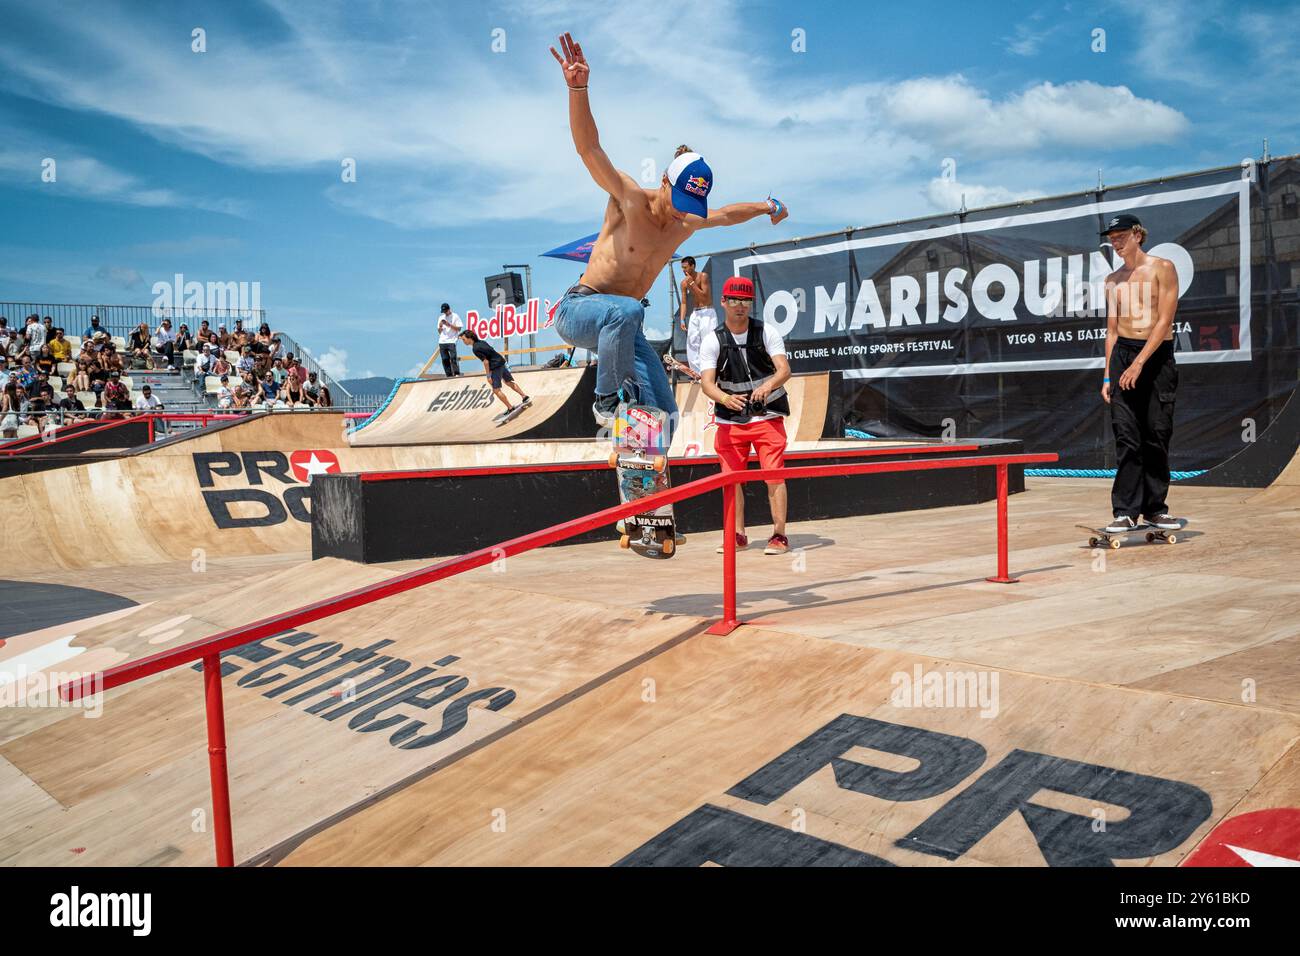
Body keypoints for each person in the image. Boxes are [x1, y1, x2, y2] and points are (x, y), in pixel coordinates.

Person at [548, 31, 788, 429]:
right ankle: (606, 401)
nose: (683, 216)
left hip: (624, 328)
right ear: (663, 182)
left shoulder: (686, 223)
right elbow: (589, 149)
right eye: (679, 203)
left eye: (690, 209)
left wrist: (767, 206)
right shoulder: (628, 199)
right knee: (624, 310)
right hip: (580, 310)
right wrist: (578, 89)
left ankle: (642, 478)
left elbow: (727, 214)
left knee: (666, 414)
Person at [1099, 213, 1182, 535]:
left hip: (1156, 356)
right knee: (1127, 436)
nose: (1115, 242)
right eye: (1111, 237)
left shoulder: (1163, 268)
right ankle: (1125, 511)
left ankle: (1155, 510)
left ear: (1137, 234)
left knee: (1156, 436)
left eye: (1120, 235)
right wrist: (1108, 375)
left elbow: (1164, 321)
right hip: (1123, 356)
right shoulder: (1112, 280)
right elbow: (1111, 331)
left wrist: (1139, 364)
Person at [699, 276, 793, 555]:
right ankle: (736, 534)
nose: (741, 306)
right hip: (730, 421)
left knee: (774, 475)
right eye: (735, 300)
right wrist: (725, 398)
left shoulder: (767, 332)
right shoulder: (713, 340)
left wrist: (767, 386)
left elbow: (784, 370)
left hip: (768, 417)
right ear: (724, 302)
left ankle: (779, 535)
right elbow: (706, 383)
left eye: (746, 300)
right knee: (731, 479)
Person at [459, 330, 531, 422]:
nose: (464, 342)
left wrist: (488, 376)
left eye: (464, 339)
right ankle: (524, 397)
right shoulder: (482, 342)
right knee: (509, 382)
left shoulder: (475, 349)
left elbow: (486, 362)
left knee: (496, 390)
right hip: (501, 362)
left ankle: (510, 408)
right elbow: (491, 350)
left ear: (469, 338)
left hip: (495, 366)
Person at [678, 256, 717, 375]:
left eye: (685, 267)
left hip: (707, 312)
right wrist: (682, 320)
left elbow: (704, 297)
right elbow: (684, 302)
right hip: (695, 313)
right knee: (691, 341)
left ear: (693, 266)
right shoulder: (684, 283)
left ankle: (711, 372)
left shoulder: (703, 276)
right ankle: (697, 373)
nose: (683, 270)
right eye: (682, 268)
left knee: (708, 341)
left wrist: (693, 284)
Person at [436, 304, 463, 377]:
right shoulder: (441, 317)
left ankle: (457, 373)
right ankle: (449, 375)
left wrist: (449, 324)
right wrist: (440, 326)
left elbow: (459, 328)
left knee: (453, 357)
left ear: (449, 309)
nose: (445, 313)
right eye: (443, 311)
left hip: (452, 340)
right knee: (444, 359)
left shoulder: (455, 316)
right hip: (442, 341)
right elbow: (439, 331)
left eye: (446, 311)